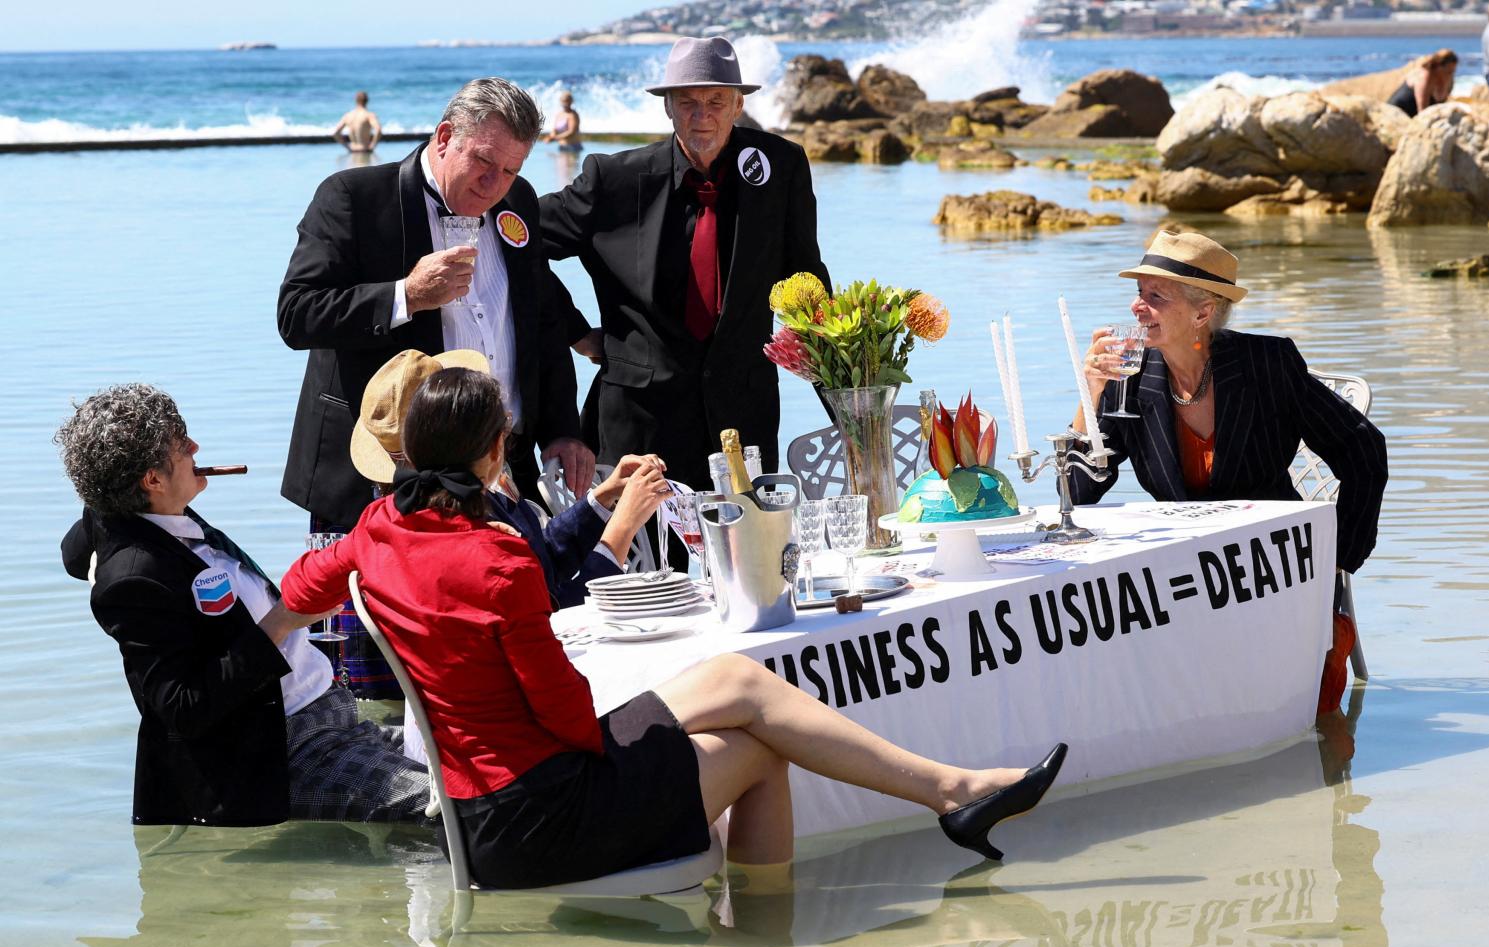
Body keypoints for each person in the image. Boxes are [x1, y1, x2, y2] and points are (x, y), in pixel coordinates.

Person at [281, 367, 1068, 887]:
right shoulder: (497, 558)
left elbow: (299, 589)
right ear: (494, 453)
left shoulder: (376, 531)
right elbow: (563, 716)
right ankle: (779, 921)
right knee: (759, 752)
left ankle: (953, 792)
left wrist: (259, 639)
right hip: (543, 820)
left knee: (736, 681)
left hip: (480, 813)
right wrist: (642, 735)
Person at [278, 77, 599, 698]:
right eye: (485, 162)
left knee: (498, 672)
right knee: (375, 692)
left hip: (496, 473)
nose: (496, 183)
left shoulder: (518, 202)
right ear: (446, 136)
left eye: (512, 169)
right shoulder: (353, 197)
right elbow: (296, 314)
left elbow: (538, 320)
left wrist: (563, 429)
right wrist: (406, 295)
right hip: (380, 479)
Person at [53, 384, 432, 827]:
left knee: (479, 759)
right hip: (285, 749)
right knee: (456, 807)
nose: (195, 447)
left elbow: (76, 546)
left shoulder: (147, 512)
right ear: (151, 480)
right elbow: (185, 707)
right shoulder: (134, 579)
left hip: (333, 715)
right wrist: (280, 623)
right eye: (181, 444)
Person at [1067, 232, 1388, 712]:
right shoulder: (1127, 377)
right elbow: (1078, 493)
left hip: (1272, 569)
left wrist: (1336, 557)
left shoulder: (1267, 365)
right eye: (1138, 293)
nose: (1137, 307)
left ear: (1203, 312)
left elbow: (1363, 449)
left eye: (1156, 296)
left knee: (1284, 702)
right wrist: (1088, 393)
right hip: (1181, 578)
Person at [538, 36, 831, 492]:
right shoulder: (613, 180)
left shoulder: (781, 167)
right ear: (667, 107)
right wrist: (573, 330)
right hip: (639, 425)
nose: (702, 115)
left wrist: (847, 400)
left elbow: (807, 279)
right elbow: (516, 241)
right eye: (688, 102)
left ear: (738, 106)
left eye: (716, 101)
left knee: (751, 541)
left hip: (745, 418)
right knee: (640, 544)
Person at [349, 346, 659, 609]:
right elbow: (551, 610)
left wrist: (603, 498)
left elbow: (541, 554)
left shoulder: (453, 497)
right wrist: (622, 528)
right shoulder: (458, 526)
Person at [1387, 49, 1458, 118]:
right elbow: (1423, 112)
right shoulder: (1424, 77)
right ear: (1438, 67)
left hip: (1414, 117)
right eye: (1449, 71)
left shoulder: (1449, 80)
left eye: (1453, 71)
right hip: (1395, 116)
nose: (1451, 74)